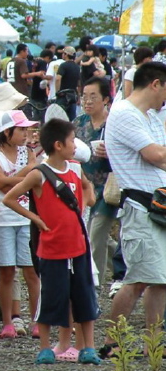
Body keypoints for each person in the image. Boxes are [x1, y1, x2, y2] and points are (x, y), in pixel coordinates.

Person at [3, 118, 100, 365]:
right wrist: (35, 217)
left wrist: (84, 202)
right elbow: (10, 198)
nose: (75, 146)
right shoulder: (39, 174)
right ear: (58, 145)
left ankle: (88, 346)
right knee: (51, 295)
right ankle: (45, 346)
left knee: (83, 294)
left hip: (78, 244)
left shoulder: (76, 169)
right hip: (52, 246)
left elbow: (89, 189)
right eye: (71, 141)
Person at [100, 62, 166, 359]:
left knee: (160, 277)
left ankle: (154, 341)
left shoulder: (150, 115)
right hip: (140, 204)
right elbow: (154, 154)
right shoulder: (125, 113)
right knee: (137, 277)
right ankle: (112, 342)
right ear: (155, 84)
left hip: (157, 203)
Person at [0, 110, 40, 339]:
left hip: (25, 218)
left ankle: (37, 320)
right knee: (6, 271)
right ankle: (7, 321)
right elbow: (0, 185)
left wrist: (13, 179)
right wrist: (27, 174)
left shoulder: (27, 152)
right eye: (21, 129)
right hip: (3, 219)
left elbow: (7, 183)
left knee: (31, 271)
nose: (26, 133)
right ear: (6, 131)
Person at [72, 77, 118, 286]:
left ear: (106, 99)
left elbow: (131, 153)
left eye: (93, 97)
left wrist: (112, 153)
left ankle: (93, 287)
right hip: (84, 187)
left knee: (95, 234)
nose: (87, 101)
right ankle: (124, 270)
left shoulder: (115, 124)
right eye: (84, 96)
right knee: (100, 239)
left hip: (108, 189)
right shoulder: (78, 123)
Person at [55, 46, 81, 121]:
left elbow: (58, 78)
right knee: (72, 119)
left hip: (63, 95)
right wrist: (78, 97)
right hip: (73, 96)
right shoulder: (77, 67)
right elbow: (79, 84)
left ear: (66, 55)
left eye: (63, 53)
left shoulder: (63, 65)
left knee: (60, 119)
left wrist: (57, 92)